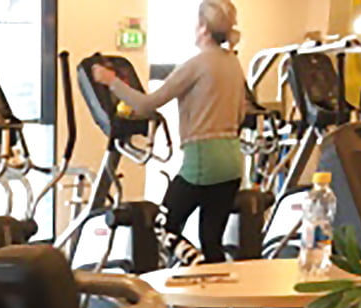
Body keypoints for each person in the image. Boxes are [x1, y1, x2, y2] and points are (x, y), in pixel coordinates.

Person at [92, 0, 247, 264]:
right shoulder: (232, 62)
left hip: (203, 161)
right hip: (232, 162)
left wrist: (111, 81)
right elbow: (241, 113)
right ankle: (215, 288)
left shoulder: (196, 64)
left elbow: (146, 104)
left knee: (162, 227)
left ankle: (196, 269)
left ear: (203, 28)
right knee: (211, 240)